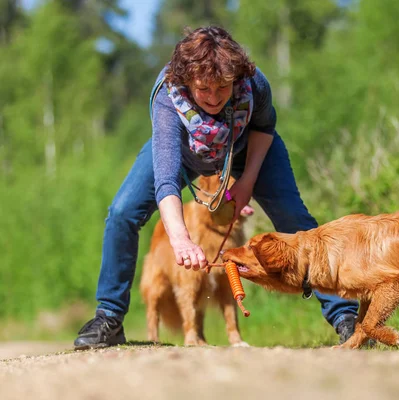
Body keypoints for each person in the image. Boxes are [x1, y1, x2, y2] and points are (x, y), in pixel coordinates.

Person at [74, 26, 359, 349]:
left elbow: (264, 127)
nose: (213, 97)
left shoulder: (254, 84)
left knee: (294, 219)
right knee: (122, 212)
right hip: (183, 152)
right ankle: (109, 316)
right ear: (186, 81)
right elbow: (167, 178)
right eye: (204, 89)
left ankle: (345, 317)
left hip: (245, 148)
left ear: (235, 78)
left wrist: (248, 180)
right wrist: (180, 239)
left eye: (222, 88)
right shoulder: (167, 98)